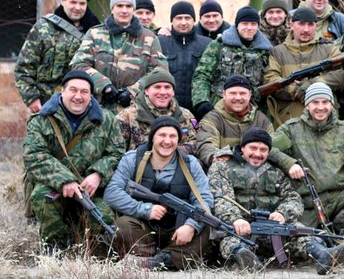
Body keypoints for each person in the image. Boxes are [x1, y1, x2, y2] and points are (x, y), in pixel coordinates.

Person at [208, 127, 344, 274]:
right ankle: (247, 260)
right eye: (253, 148)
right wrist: (236, 219)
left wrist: (282, 213)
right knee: (231, 240)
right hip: (240, 229)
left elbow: (293, 198)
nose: (257, 154)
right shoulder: (222, 166)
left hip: (272, 229)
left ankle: (322, 255)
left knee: (298, 229)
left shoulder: (275, 170)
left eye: (263, 150)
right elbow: (221, 198)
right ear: (242, 147)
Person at [23, 70, 124, 249]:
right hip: (53, 186)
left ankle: (83, 244)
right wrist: (65, 180)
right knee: (42, 197)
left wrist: (98, 174)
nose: (78, 96)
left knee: (104, 216)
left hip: (89, 190)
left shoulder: (107, 119)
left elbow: (117, 153)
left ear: (91, 96)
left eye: (84, 92)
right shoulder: (42, 119)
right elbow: (34, 155)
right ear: (62, 91)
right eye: (73, 90)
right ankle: (56, 247)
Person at [105, 116, 213, 270]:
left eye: (172, 136)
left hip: (177, 231)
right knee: (122, 225)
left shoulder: (191, 163)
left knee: (205, 228)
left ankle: (153, 262)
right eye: (162, 135)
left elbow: (204, 199)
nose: (167, 141)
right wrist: (145, 210)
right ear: (152, 138)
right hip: (143, 227)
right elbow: (112, 193)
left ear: (179, 140)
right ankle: (165, 258)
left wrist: (191, 226)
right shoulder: (132, 159)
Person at [272, 83, 344, 234]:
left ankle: (342, 233)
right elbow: (267, 148)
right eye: (315, 102)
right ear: (307, 105)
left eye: (325, 102)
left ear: (332, 104)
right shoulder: (291, 129)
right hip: (307, 201)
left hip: (339, 196)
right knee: (296, 234)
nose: (320, 107)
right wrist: (289, 164)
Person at [70, 0, 168, 113]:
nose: (124, 10)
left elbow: (160, 70)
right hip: (99, 108)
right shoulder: (95, 34)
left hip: (137, 110)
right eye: (119, 6)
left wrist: (132, 91)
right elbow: (78, 64)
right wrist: (104, 85)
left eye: (128, 6)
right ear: (112, 9)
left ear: (133, 9)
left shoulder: (149, 37)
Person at [15, 0, 100, 113]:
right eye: (73, 2)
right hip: (47, 105)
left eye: (82, 3)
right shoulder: (43, 27)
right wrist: (31, 98)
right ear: (63, 1)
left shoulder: (96, 31)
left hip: (84, 106)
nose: (77, 7)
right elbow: (24, 67)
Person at [263, 7, 344, 127]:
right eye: (301, 24)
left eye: (310, 24)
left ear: (316, 26)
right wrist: (295, 90)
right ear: (291, 25)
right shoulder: (278, 52)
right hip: (287, 123)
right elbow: (270, 79)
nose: (306, 29)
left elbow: (342, 74)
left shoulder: (329, 49)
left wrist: (313, 85)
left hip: (325, 124)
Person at [191, 6, 272, 119]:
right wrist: (202, 102)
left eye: (253, 24)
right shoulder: (219, 45)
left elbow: (270, 79)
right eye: (245, 23)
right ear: (237, 25)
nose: (249, 28)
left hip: (252, 111)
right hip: (220, 109)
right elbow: (202, 75)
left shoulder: (265, 50)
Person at [194, 75, 282, 169]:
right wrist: (217, 157)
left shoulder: (262, 120)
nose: (238, 98)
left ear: (250, 95)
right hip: (223, 170)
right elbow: (205, 145)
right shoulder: (211, 119)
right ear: (224, 94)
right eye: (233, 93)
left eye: (242, 93)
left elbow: (274, 149)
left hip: (257, 171)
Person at [116, 69, 198, 151]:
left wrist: (169, 153)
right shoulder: (126, 117)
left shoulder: (186, 116)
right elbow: (117, 151)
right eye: (157, 87)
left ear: (173, 92)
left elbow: (196, 144)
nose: (162, 92)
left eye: (167, 87)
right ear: (147, 91)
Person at [158, 1, 212, 111]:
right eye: (179, 18)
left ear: (194, 20)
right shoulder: (160, 42)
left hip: (197, 109)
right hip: (166, 107)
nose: (183, 22)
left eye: (187, 18)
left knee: (195, 123)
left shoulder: (207, 44)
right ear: (171, 20)